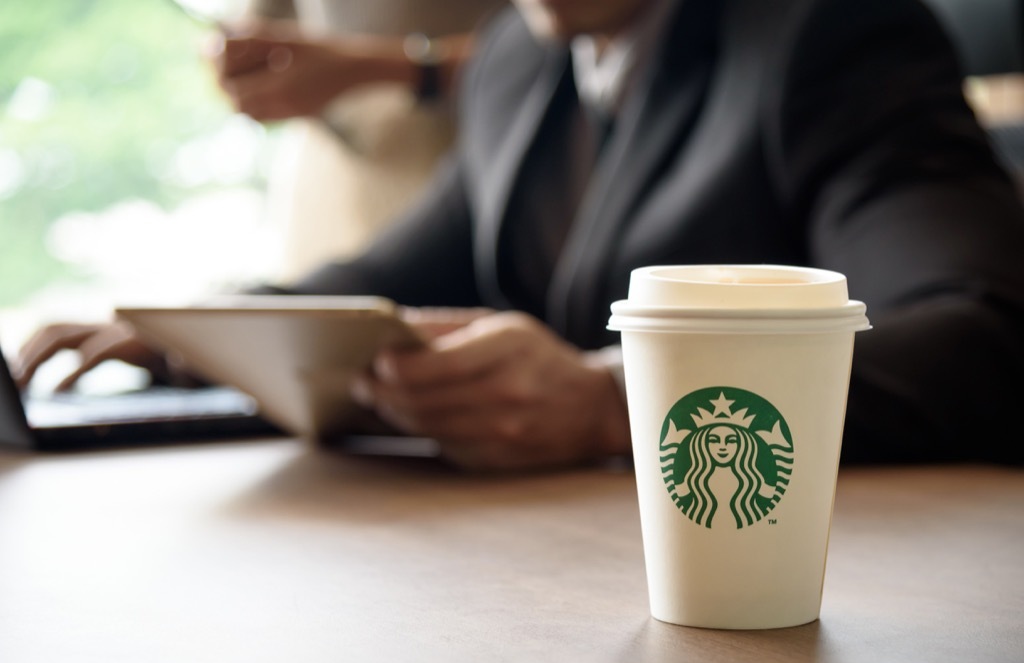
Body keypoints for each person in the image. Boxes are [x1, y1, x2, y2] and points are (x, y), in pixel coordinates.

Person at [17, 0, 1024, 471]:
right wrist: (201, 327)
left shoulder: (832, 37)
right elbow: (391, 275)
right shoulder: (516, 61)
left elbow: (980, 331)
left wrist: (606, 399)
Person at [212, 0, 504, 278]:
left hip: (465, 169)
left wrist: (381, 67)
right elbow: (254, 22)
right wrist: (234, 55)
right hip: (332, 181)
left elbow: (535, 52)